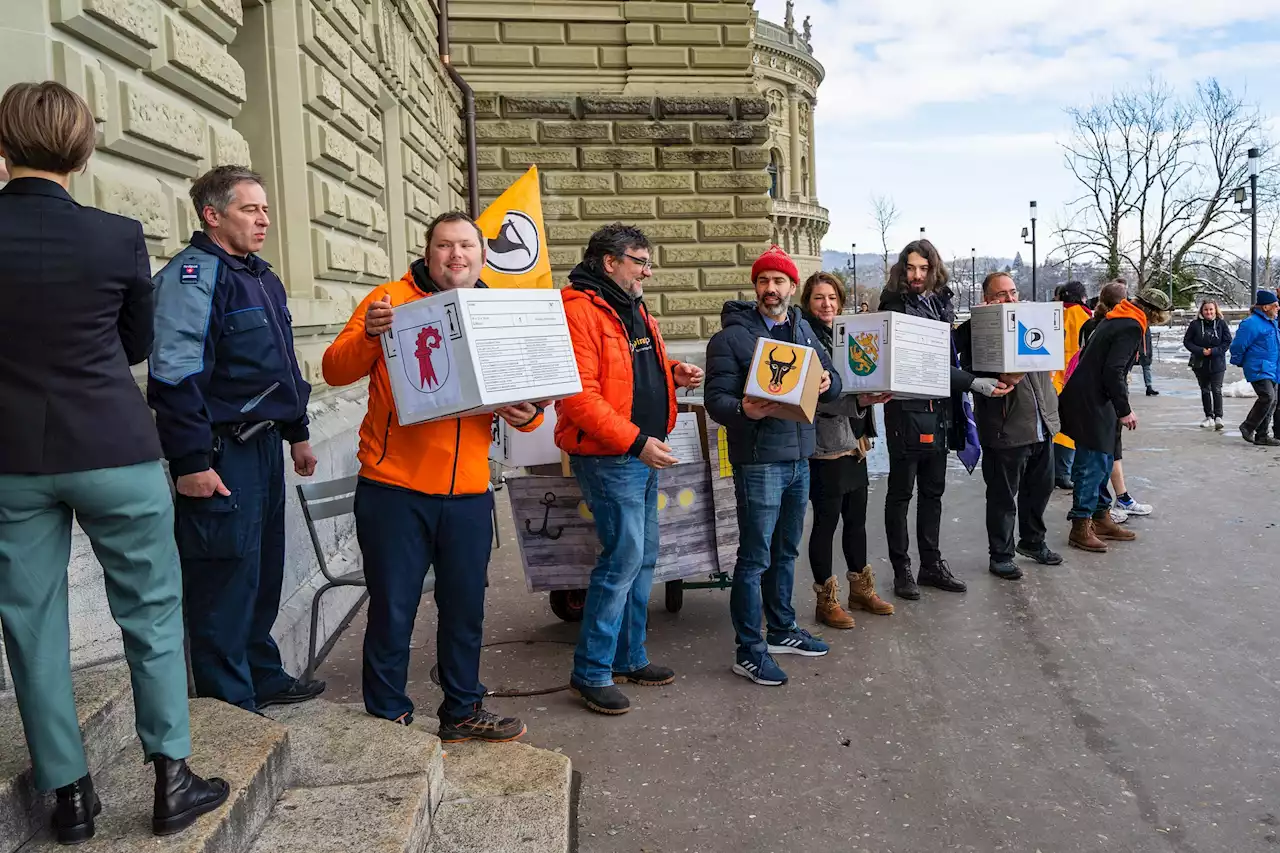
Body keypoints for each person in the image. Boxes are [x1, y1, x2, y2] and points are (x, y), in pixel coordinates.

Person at [0, 80, 226, 844]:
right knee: (152, 612)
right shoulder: (116, 233)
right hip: (114, 446)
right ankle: (171, 778)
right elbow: (136, 341)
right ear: (85, 148)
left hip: (10, 458)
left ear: (2, 146)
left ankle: (68, 796)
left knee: (31, 624)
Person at [323, 211, 545, 741]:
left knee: (465, 609)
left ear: (482, 254)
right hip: (394, 488)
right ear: (428, 254)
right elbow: (334, 369)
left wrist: (528, 413)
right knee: (393, 609)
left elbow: (528, 396)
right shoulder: (388, 299)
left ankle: (462, 710)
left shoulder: (495, 310)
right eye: (444, 246)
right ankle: (387, 716)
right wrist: (372, 337)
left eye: (466, 245)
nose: (456, 255)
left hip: (468, 491)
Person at [149, 166, 325, 716]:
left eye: (265, 209)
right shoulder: (193, 277)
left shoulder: (261, 277)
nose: (264, 219)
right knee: (223, 577)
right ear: (212, 215)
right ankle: (230, 702)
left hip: (266, 448)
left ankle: (261, 673)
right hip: (222, 454)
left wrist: (297, 432)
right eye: (250, 209)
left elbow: (279, 365)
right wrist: (191, 460)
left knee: (263, 569)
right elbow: (174, 375)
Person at [555, 223, 704, 715]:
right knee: (622, 560)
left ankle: (629, 657)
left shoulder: (633, 305)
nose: (648, 269)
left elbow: (635, 372)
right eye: (640, 260)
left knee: (642, 559)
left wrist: (673, 375)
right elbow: (579, 398)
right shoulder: (577, 309)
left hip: (641, 452)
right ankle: (592, 671)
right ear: (608, 262)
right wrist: (636, 441)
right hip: (611, 456)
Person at [704, 245, 842, 686]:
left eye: (778, 281)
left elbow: (835, 381)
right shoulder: (730, 339)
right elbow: (716, 401)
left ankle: (782, 630)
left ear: (791, 286)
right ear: (755, 286)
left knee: (786, 552)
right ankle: (749, 650)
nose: (770, 288)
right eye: (763, 281)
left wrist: (827, 381)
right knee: (754, 558)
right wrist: (745, 409)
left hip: (800, 456)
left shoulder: (803, 330)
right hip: (760, 460)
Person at [877, 240, 1010, 599]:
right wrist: (973, 383)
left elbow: (949, 350)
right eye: (911, 268)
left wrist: (986, 320)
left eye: (924, 268)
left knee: (933, 491)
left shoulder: (941, 302)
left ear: (934, 269)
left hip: (939, 408)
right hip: (905, 410)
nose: (917, 275)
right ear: (902, 270)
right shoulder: (894, 305)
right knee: (902, 492)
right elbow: (923, 362)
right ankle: (902, 568)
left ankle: (931, 565)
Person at [800, 272, 894, 628]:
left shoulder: (844, 334)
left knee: (856, 520)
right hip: (824, 446)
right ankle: (826, 600)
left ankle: (860, 588)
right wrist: (861, 400)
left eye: (832, 298)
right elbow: (815, 397)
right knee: (826, 524)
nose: (827, 305)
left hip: (855, 443)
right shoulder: (804, 337)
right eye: (819, 298)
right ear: (807, 303)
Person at [956, 273, 1063, 579]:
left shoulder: (1031, 320)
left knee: (1040, 489)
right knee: (1004, 497)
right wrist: (990, 375)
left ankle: (1033, 541)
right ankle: (1000, 554)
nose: (1009, 299)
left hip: (1041, 423)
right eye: (1000, 295)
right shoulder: (976, 329)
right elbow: (958, 367)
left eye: (1012, 292)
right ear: (986, 299)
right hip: (1006, 427)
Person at [1059, 287, 1172, 551]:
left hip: (1092, 398)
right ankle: (1080, 525)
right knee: (1093, 462)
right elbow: (1114, 371)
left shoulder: (1119, 318)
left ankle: (1100, 517)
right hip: (1093, 401)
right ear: (1155, 313)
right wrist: (1124, 409)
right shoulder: (1130, 326)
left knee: (1105, 457)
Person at [1051, 281, 1092, 489]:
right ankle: (1064, 472)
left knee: (1052, 424)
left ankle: (1054, 471)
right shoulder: (1084, 316)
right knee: (1071, 426)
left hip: (1051, 374)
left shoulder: (1052, 314)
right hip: (1074, 375)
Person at [1228, 290, 1280, 446]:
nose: (1278, 308)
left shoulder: (1272, 322)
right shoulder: (1251, 323)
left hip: (1272, 368)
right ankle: (1248, 426)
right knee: (1267, 397)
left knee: (1273, 401)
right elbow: (1238, 345)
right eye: (1275, 305)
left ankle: (1262, 435)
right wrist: (1239, 361)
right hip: (1259, 367)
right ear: (1265, 307)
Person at [1183, 300, 1232, 430]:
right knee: (1205, 389)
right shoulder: (1195, 325)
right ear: (1201, 311)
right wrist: (1200, 350)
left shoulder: (1221, 324)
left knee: (1216, 389)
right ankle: (1208, 416)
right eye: (1206, 310)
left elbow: (1227, 341)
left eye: (1211, 309)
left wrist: (1214, 351)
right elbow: (1187, 341)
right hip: (1200, 363)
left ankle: (1218, 417)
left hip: (1217, 362)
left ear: (1215, 310)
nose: (1209, 312)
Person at [1137, 325, 1159, 395]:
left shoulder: (1146, 327)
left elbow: (1148, 341)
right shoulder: (1136, 324)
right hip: (1136, 350)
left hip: (1145, 350)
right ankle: (1124, 386)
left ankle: (1149, 386)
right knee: (1127, 368)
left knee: (1147, 367)